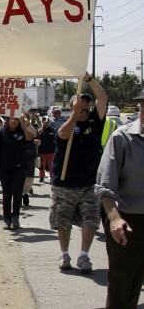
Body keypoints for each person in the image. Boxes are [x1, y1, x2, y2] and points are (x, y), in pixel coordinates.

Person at [51, 72, 107, 274]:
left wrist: (90, 80)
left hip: (89, 183)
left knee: (90, 220)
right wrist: (74, 115)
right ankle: (64, 254)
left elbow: (103, 98)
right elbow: (62, 135)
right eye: (80, 104)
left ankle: (84, 255)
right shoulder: (63, 123)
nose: (84, 107)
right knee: (62, 220)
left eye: (87, 105)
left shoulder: (95, 122)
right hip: (64, 183)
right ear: (73, 107)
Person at [95, 89, 144, 309]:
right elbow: (105, 186)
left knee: (137, 282)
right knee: (123, 283)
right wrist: (114, 219)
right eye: (143, 105)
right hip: (127, 221)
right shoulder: (122, 138)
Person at [0, 114, 37, 230]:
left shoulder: (22, 131)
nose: (13, 121)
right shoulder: (1, 131)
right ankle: (7, 219)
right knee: (7, 194)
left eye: (16, 119)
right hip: (4, 168)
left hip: (19, 168)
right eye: (11, 118)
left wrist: (24, 124)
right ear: (7, 120)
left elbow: (30, 138)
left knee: (17, 192)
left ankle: (15, 216)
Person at [37, 116, 56, 182]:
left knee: (51, 165)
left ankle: (52, 177)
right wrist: (42, 126)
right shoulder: (40, 128)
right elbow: (38, 133)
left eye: (47, 120)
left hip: (51, 150)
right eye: (44, 120)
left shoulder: (52, 129)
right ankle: (41, 177)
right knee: (42, 165)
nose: (46, 122)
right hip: (42, 150)